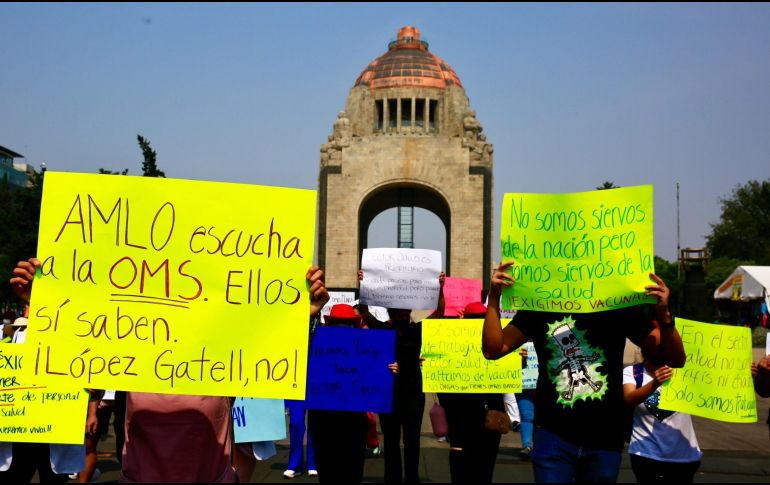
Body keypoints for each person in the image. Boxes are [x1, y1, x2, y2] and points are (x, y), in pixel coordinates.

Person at [10, 258, 330, 483]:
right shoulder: (127, 354)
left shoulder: (223, 359)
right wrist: (42, 304)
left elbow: (273, 349)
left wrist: (305, 315)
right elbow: (69, 351)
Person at [482, 261, 686, 483]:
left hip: (604, 437)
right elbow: (493, 349)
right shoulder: (540, 306)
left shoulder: (618, 306)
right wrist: (494, 299)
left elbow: (674, 358)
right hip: (553, 434)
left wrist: (665, 315)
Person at [359, 270, 444, 483]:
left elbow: (439, 313)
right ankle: (393, 478)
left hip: (412, 392)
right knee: (391, 440)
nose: (402, 313)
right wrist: (362, 283)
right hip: (389, 393)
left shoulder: (417, 330)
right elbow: (364, 311)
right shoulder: (382, 329)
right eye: (398, 310)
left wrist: (440, 287)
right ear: (391, 311)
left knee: (411, 439)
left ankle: (411, 478)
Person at [307, 303, 397, 483]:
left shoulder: (366, 347)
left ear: (355, 326)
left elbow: (375, 373)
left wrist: (390, 369)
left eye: (346, 324)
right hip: (324, 421)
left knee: (351, 472)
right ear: (330, 325)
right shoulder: (315, 343)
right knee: (329, 472)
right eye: (338, 323)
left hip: (352, 422)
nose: (343, 328)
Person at [438, 301, 506, 484]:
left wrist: (519, 360)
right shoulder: (450, 343)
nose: (477, 323)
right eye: (474, 318)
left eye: (481, 319)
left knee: (484, 469)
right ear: (463, 319)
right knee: (461, 468)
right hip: (461, 416)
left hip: (489, 415)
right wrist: (429, 365)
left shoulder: (496, 342)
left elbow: (507, 376)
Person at [623, 353, 702, 482]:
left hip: (684, 457)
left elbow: (718, 388)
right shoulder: (633, 372)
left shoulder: (685, 373)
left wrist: (745, 375)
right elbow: (629, 398)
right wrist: (655, 383)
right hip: (646, 455)